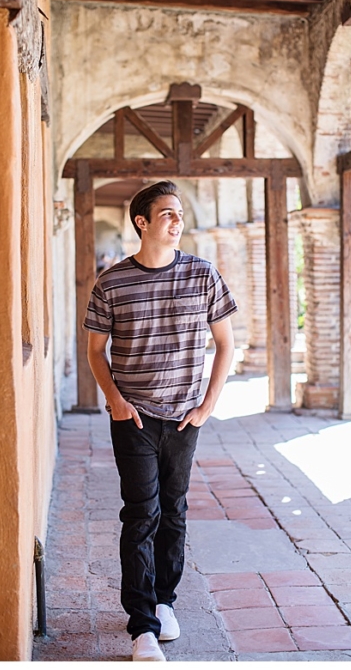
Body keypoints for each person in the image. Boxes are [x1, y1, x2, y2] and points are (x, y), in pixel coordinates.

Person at [84, 181, 236, 662]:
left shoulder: (203, 274)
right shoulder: (112, 282)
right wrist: (115, 400)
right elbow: (94, 350)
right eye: (167, 213)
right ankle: (142, 627)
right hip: (134, 417)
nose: (177, 221)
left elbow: (226, 344)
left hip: (186, 418)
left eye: (180, 213)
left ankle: (165, 601)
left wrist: (207, 405)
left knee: (174, 510)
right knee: (141, 512)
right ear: (141, 222)